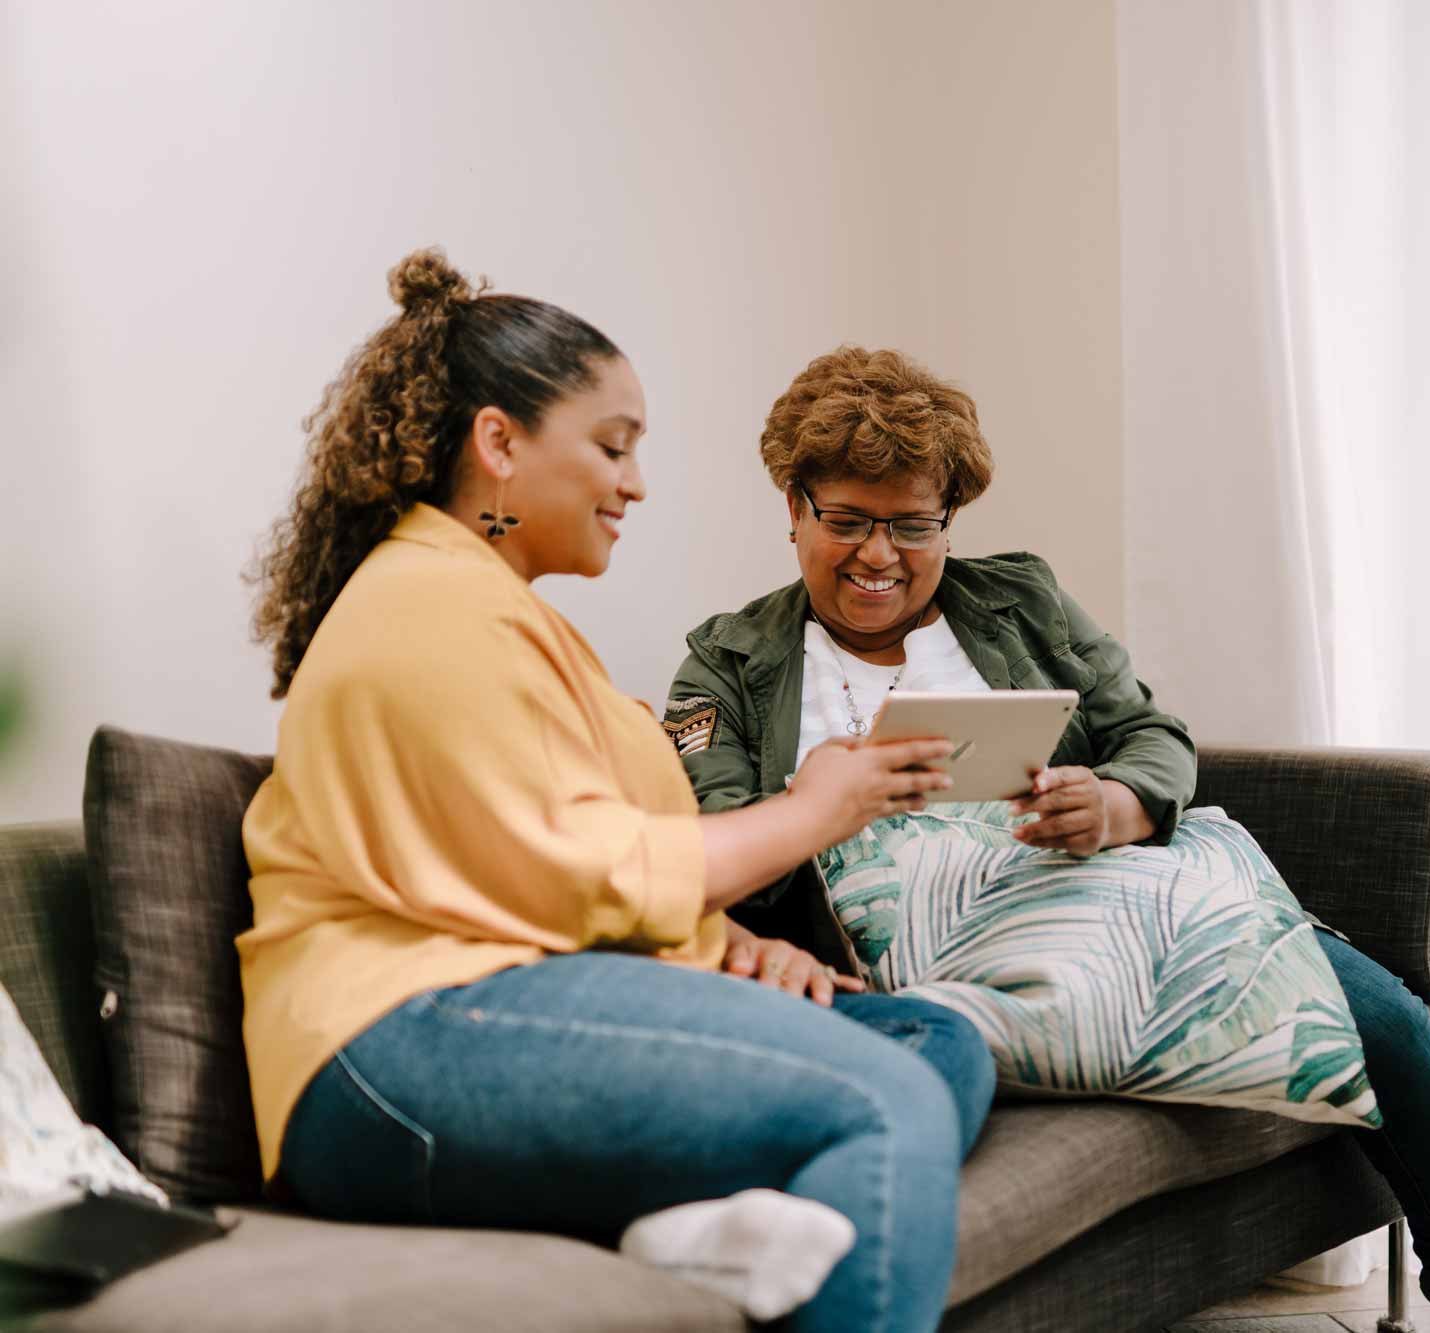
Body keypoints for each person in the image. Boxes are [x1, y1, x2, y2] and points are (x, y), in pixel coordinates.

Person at [669, 345, 1430, 1333]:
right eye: (847, 522)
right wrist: (826, 807)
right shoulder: (730, 663)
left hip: (1116, 892)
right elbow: (716, 840)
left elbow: (1150, 734)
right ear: (794, 510)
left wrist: (1118, 804)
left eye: (911, 526)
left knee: (1385, 1023)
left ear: (946, 520)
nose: (878, 556)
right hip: (929, 953)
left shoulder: (1017, 601)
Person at [238, 256, 994, 1333]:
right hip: (397, 1038)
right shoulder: (425, 606)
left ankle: (703, 1229)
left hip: (507, 994)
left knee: (932, 1041)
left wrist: (722, 944)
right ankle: (717, 1218)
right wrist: (819, 807)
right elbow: (571, 877)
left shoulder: (508, 618)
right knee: (889, 1095)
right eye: (610, 445)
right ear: (498, 443)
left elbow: (559, 858)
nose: (633, 483)